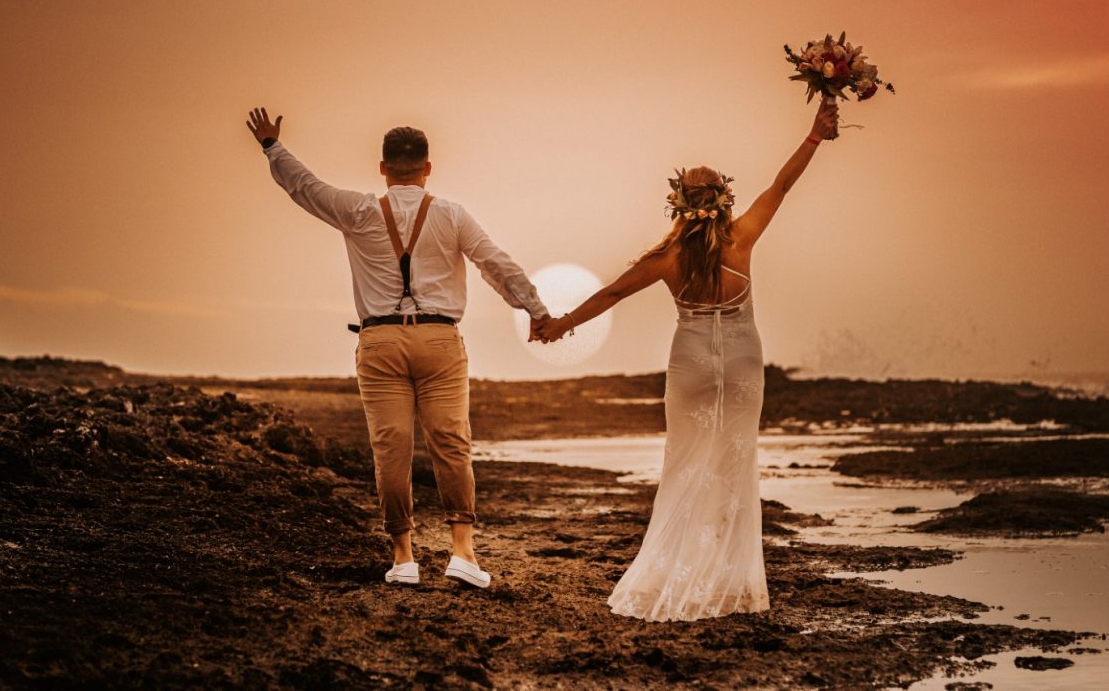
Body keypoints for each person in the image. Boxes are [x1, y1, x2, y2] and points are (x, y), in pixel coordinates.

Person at [535, 98, 840, 620]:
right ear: (723, 200)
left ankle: (676, 571)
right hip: (743, 362)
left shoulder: (666, 258)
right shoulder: (742, 238)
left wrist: (560, 325)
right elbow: (783, 185)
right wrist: (814, 134)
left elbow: (609, 295)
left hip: (691, 364)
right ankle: (728, 579)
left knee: (684, 466)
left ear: (678, 203)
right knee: (734, 467)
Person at [246, 107, 550, 589]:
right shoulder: (451, 214)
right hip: (439, 339)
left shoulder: (359, 210)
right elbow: (496, 263)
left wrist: (272, 146)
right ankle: (463, 552)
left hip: (380, 340)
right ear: (428, 167)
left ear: (383, 168)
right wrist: (536, 311)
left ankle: (404, 557)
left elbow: (303, 186)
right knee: (451, 442)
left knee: (392, 449)